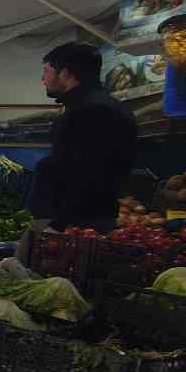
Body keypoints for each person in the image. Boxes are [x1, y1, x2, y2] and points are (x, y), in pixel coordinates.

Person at [31, 42, 137, 231]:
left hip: (76, 227)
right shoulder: (105, 106)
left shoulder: (91, 111)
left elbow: (83, 174)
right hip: (84, 220)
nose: (42, 78)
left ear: (65, 73)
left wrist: (57, 225)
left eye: (46, 71)